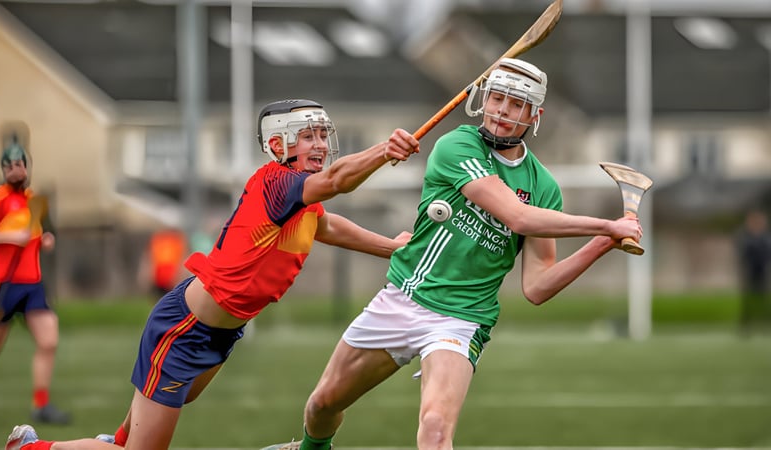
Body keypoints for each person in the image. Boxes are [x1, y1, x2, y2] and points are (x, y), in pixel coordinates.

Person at [263, 58, 643, 450]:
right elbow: (517, 216)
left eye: (515, 104)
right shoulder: (456, 146)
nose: (501, 111)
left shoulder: (543, 187)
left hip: (462, 320)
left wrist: (604, 242)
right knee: (323, 404)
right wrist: (605, 224)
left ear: (535, 115)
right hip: (404, 297)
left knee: (435, 429)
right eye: (496, 98)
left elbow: (538, 287)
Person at [4, 98, 420, 450]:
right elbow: (336, 181)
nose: (320, 144)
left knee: (127, 440)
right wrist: (385, 150)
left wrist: (391, 247)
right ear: (278, 144)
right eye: (307, 136)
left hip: (220, 334)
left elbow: (326, 225)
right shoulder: (277, 182)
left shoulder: (301, 199)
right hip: (184, 330)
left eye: (322, 135)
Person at [0, 139, 70, 429]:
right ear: (3, 170)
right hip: (4, 284)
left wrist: (45, 241)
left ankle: (41, 405)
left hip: (32, 284)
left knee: (49, 339)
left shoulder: (35, 199)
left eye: (20, 164)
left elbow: (37, 233)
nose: (16, 169)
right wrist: (8, 237)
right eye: (10, 165)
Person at [735, 208, 771, 336]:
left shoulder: (765, 237)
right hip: (750, 270)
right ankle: (745, 325)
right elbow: (743, 253)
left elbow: (767, 253)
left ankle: (765, 323)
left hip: (762, 270)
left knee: (763, 298)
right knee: (748, 300)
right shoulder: (744, 236)